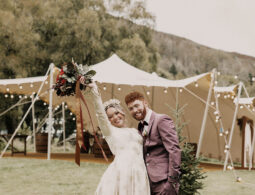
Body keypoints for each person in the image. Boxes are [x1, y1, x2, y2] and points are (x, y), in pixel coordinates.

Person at [82, 80, 150, 195]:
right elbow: (100, 114)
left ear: (122, 112)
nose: (115, 117)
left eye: (116, 113)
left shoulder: (135, 131)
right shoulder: (110, 132)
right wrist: (94, 90)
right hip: (121, 173)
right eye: (110, 116)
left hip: (139, 173)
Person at [125, 91, 181, 195]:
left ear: (145, 103)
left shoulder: (161, 120)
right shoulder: (140, 126)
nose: (135, 110)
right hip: (147, 183)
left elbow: (174, 150)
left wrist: (172, 181)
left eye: (137, 106)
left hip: (164, 182)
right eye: (131, 108)